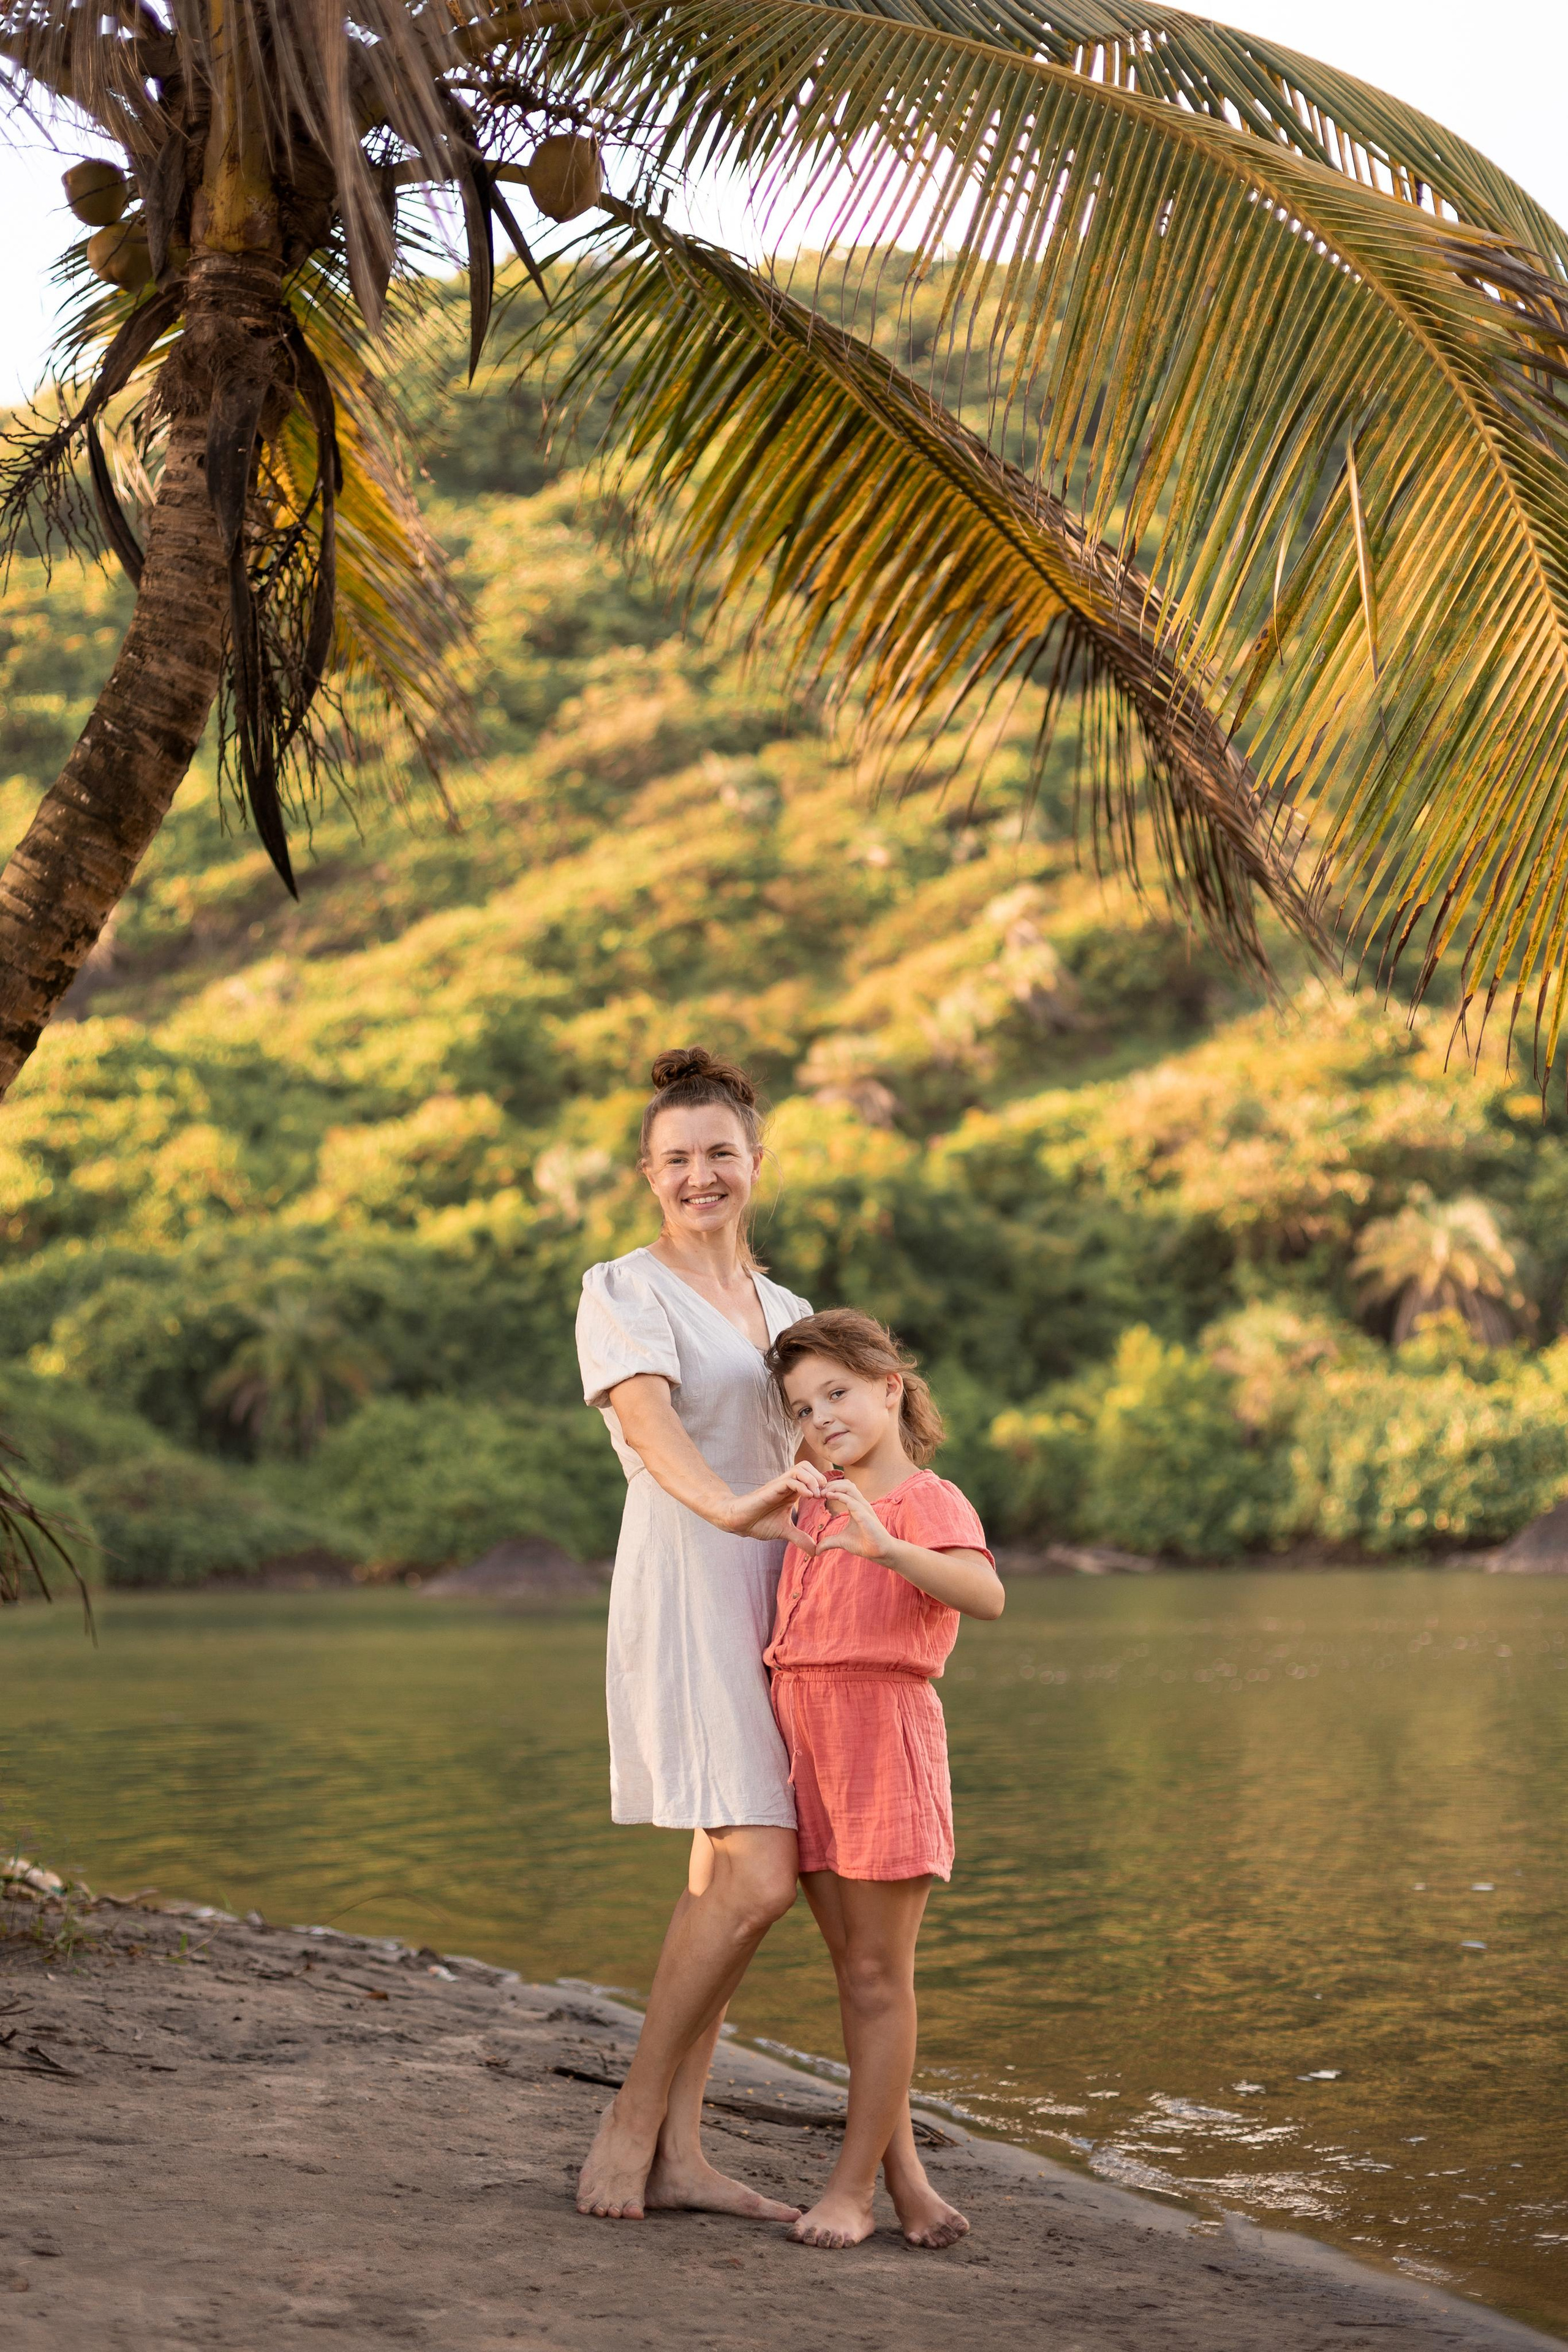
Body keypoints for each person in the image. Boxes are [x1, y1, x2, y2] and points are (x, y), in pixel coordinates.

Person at [573, 1046, 829, 2223]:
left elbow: (833, 1447)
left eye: (720, 1152)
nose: (700, 1175)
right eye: (676, 1158)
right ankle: (629, 2124)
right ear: (649, 1174)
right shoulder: (622, 1289)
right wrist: (730, 1508)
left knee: (721, 1881)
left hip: (783, 1595)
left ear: (756, 1161)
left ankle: (683, 2152)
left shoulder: (790, 1313)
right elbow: (650, 1424)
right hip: (691, 1579)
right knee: (760, 1878)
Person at [763, 1308, 1005, 2250]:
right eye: (802, 1407)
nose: (822, 1417)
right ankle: (908, 2184)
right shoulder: (813, 1501)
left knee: (877, 1976)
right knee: (852, 1973)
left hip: (880, 1739)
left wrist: (888, 1547)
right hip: (807, 1742)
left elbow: (986, 1595)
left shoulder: (923, 1501)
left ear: (890, 1387)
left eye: (838, 1392)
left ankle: (852, 2190)